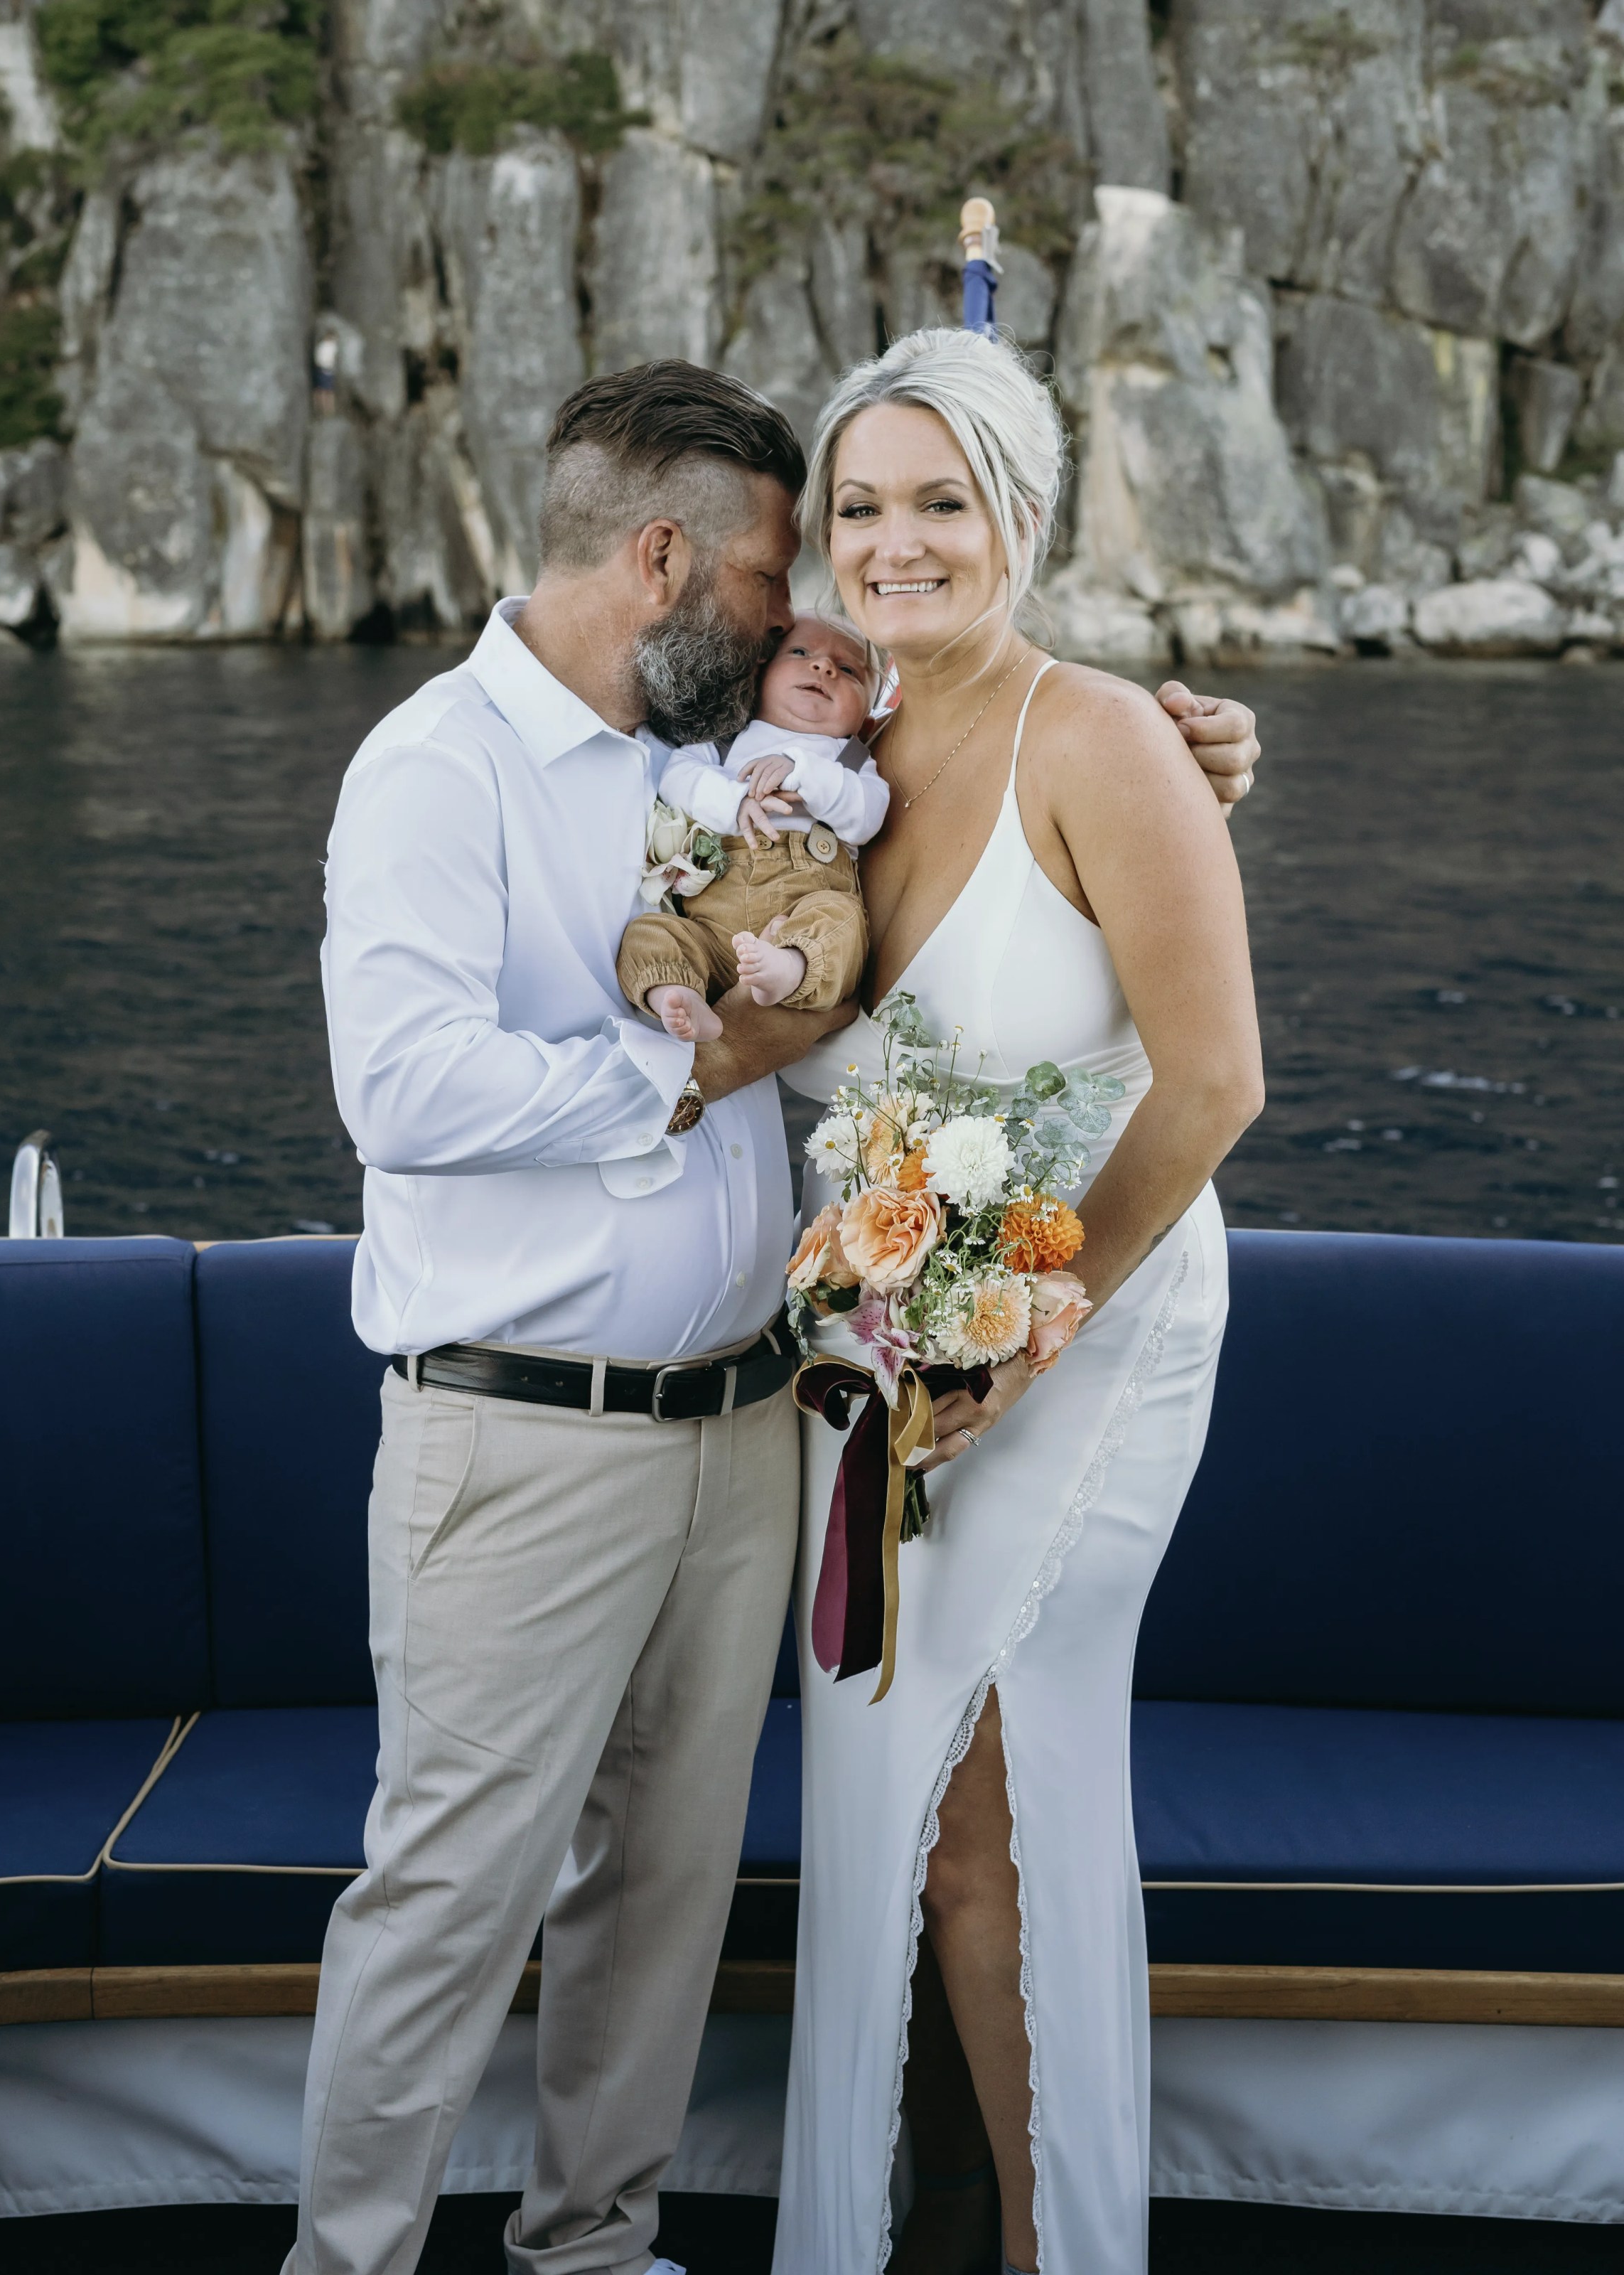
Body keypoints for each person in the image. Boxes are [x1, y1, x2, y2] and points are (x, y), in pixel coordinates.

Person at [295, 354, 1261, 2275]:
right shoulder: (499, 762)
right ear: (680, 561)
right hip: (627, 1412)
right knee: (508, 1887)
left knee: (769, 1869)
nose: (841, 583)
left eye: (931, 509)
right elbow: (405, 1090)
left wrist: (1193, 759)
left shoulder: (805, 747)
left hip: (858, 1393)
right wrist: (690, 1073)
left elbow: (1156, 1019)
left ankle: (676, 2245)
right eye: (820, 541)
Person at [771, 329, 1263, 2275]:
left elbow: (1214, 1082)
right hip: (893, 1361)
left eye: (940, 503)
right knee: (919, 1806)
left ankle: (1068, 2242)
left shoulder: (1108, 738)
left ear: (1023, 522)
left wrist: (1024, 1338)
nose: (895, 543)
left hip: (1091, 1345)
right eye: (861, 507)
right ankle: (934, 2217)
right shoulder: (832, 762)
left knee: (1015, 1810)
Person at [618, 612, 888, 1043]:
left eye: (849, 670)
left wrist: (803, 771)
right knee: (648, 933)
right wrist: (735, 801)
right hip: (712, 930)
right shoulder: (727, 738)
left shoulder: (849, 760)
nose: (823, 668)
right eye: (800, 652)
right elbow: (676, 777)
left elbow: (868, 816)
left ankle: (790, 968)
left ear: (866, 722)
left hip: (804, 915)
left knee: (843, 922)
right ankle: (676, 992)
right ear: (758, 678)